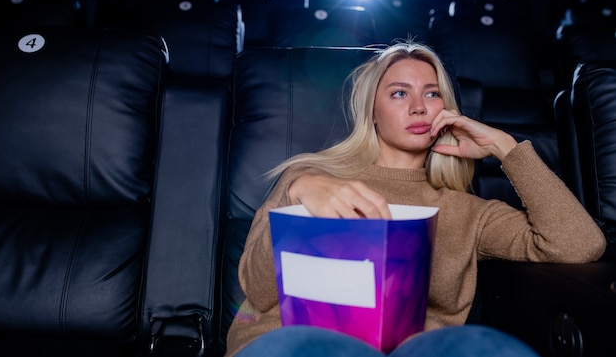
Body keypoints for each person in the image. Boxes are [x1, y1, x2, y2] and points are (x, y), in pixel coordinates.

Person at [224, 40, 606, 357]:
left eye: (432, 93)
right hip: (294, 341)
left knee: (488, 348)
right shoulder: (310, 179)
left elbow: (580, 243)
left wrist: (506, 150)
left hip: (414, 350)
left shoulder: (469, 212)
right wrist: (298, 193)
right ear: (372, 112)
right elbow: (256, 290)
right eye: (399, 93)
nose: (419, 107)